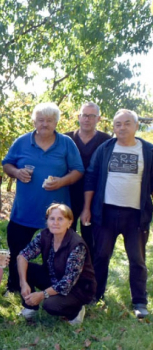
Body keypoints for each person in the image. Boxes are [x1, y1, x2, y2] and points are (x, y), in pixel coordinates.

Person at [2, 102, 84, 293]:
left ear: (56, 122)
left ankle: (60, 288)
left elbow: (78, 170)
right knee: (17, 248)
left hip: (57, 213)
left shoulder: (66, 143)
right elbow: (6, 164)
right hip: (26, 208)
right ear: (34, 121)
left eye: (49, 120)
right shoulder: (22, 141)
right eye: (41, 120)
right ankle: (14, 285)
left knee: (61, 252)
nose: (45, 124)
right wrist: (16, 172)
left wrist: (61, 182)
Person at [81, 109, 153, 319]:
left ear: (136, 126)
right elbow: (91, 178)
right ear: (113, 127)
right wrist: (86, 208)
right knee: (101, 256)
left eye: (127, 123)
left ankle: (139, 301)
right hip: (105, 213)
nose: (122, 128)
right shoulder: (105, 149)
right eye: (118, 124)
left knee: (137, 259)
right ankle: (96, 295)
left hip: (136, 216)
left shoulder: (147, 151)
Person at [17, 204, 96, 325]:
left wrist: (42, 295)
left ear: (69, 223)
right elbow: (22, 256)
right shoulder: (45, 235)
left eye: (60, 219)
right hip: (54, 277)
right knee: (19, 267)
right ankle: (30, 306)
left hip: (77, 288)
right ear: (47, 221)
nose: (55, 223)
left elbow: (67, 282)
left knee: (50, 305)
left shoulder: (76, 245)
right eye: (52, 219)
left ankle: (76, 310)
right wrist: (23, 283)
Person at [65, 102, 111, 258]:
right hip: (68, 194)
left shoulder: (106, 141)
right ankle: (64, 271)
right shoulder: (66, 138)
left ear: (98, 119)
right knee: (65, 234)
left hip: (94, 197)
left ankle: (87, 275)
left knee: (89, 239)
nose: (87, 119)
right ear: (78, 117)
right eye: (84, 115)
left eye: (92, 116)